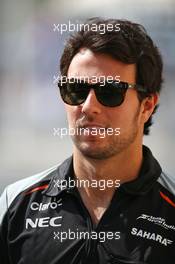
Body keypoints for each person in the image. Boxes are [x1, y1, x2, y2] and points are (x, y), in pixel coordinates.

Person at [0, 17, 175, 264]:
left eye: (110, 91)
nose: (88, 106)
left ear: (147, 106)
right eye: (76, 90)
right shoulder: (15, 205)